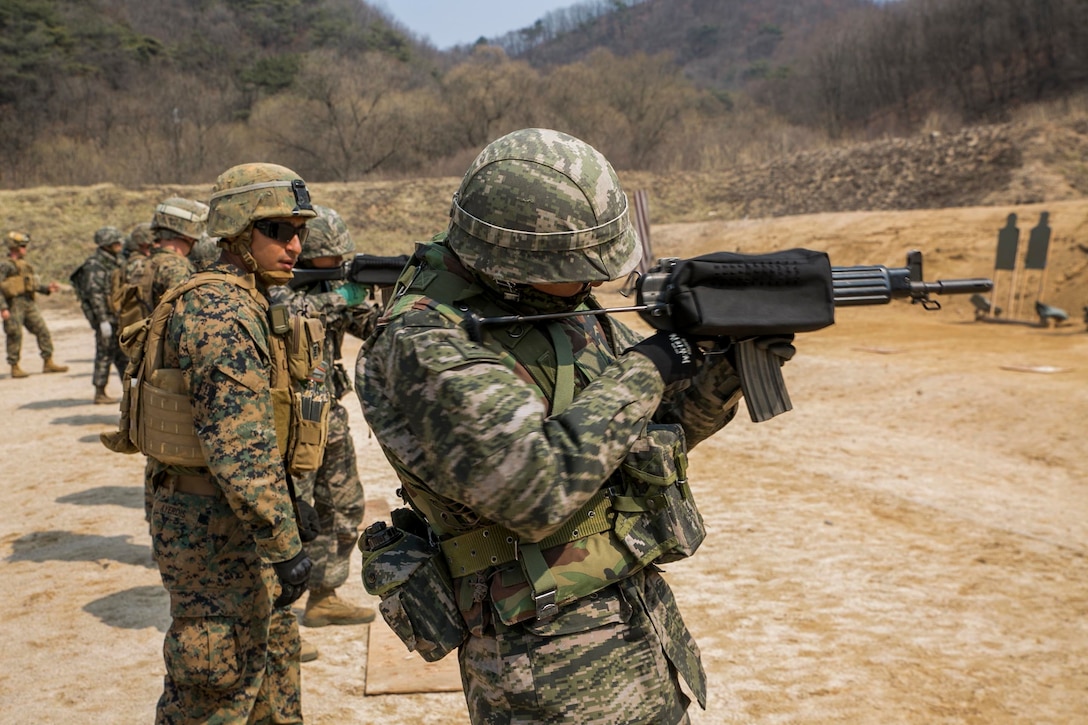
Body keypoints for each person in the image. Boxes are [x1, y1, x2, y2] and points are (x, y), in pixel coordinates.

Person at [356, 128, 795, 724]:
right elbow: (537, 490)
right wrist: (650, 364)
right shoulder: (424, 343)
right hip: (544, 660)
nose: (593, 285)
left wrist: (721, 364)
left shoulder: (553, 306)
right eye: (579, 270)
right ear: (514, 262)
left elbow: (637, 435)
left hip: (631, 619)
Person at [146, 162, 320, 723]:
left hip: (236, 518)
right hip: (211, 527)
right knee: (214, 679)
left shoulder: (250, 299)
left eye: (299, 231)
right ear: (239, 233)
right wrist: (283, 539)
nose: (293, 245)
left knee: (272, 659)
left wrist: (290, 509)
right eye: (277, 231)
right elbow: (238, 449)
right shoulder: (219, 310)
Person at [268, 205, 377, 661]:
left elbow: (369, 326)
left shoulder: (332, 288)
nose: (339, 269)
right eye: (332, 261)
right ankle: (274, 625)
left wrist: (387, 301)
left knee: (346, 506)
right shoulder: (272, 287)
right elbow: (285, 313)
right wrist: (343, 295)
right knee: (292, 520)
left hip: (327, 413)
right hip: (291, 423)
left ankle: (324, 595)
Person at [1, 231, 68, 378]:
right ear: (15, 248)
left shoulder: (25, 265)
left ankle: (48, 361)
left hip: (28, 303)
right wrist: (3, 307)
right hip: (13, 304)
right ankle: (14, 366)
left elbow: (31, 284)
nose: (25, 249)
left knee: (42, 330)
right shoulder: (5, 266)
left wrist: (47, 289)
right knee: (14, 334)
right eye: (22, 246)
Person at [74, 226, 128, 403]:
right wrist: (102, 321)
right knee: (104, 353)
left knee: (123, 356)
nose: (119, 244)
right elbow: (95, 296)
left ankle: (129, 391)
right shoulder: (94, 265)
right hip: (106, 317)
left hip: (118, 315)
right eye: (115, 242)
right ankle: (99, 392)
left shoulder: (116, 260)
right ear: (106, 244)